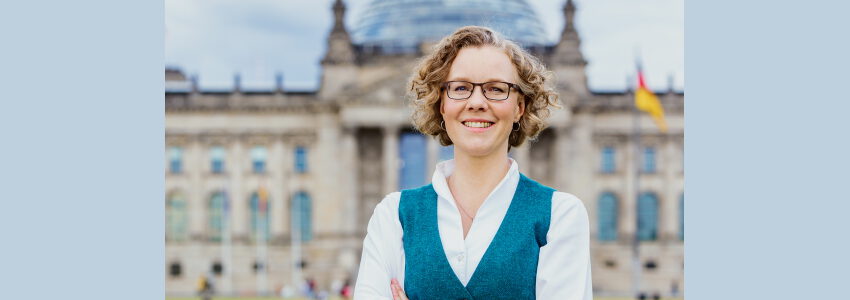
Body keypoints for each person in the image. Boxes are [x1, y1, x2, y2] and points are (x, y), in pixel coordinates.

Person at [353, 26, 592, 300]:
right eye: (461, 88)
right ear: (441, 103)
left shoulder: (560, 215)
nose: (477, 102)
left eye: (496, 89)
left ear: (519, 107)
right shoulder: (393, 216)